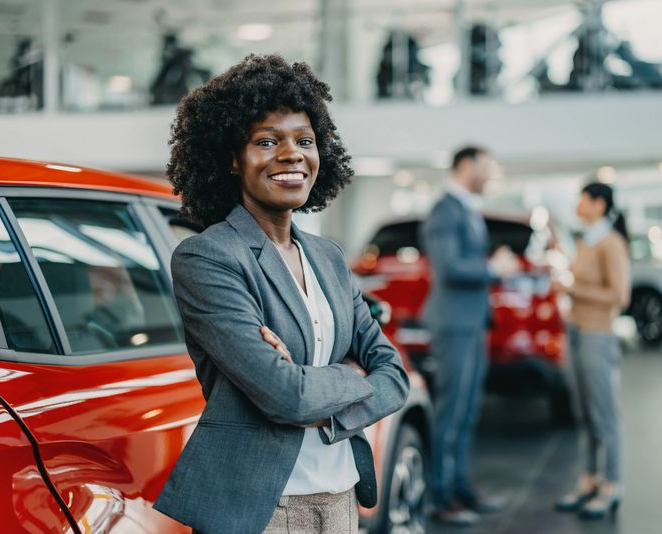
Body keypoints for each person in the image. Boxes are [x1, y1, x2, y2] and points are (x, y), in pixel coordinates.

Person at [153, 54, 410, 534]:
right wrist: (353, 373)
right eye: (267, 141)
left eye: (304, 141)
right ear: (233, 159)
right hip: (261, 507)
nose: (292, 154)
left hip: (341, 493)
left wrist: (320, 395)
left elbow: (394, 375)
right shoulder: (208, 257)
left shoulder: (328, 257)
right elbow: (285, 396)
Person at [420, 146, 521, 526]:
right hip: (454, 323)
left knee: (468, 411)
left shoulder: (465, 207)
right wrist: (494, 268)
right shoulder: (445, 209)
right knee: (451, 412)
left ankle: (460, 488)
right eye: (486, 167)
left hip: (473, 322)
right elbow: (449, 267)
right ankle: (439, 496)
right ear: (466, 166)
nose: (490, 173)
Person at [553, 181, 630, 520]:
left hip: (598, 335)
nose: (577, 206)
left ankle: (611, 484)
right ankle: (588, 480)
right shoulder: (587, 240)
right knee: (584, 412)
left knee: (604, 414)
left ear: (599, 204)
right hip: (577, 332)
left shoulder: (611, 243)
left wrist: (574, 289)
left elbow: (620, 296)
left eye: (582, 200)